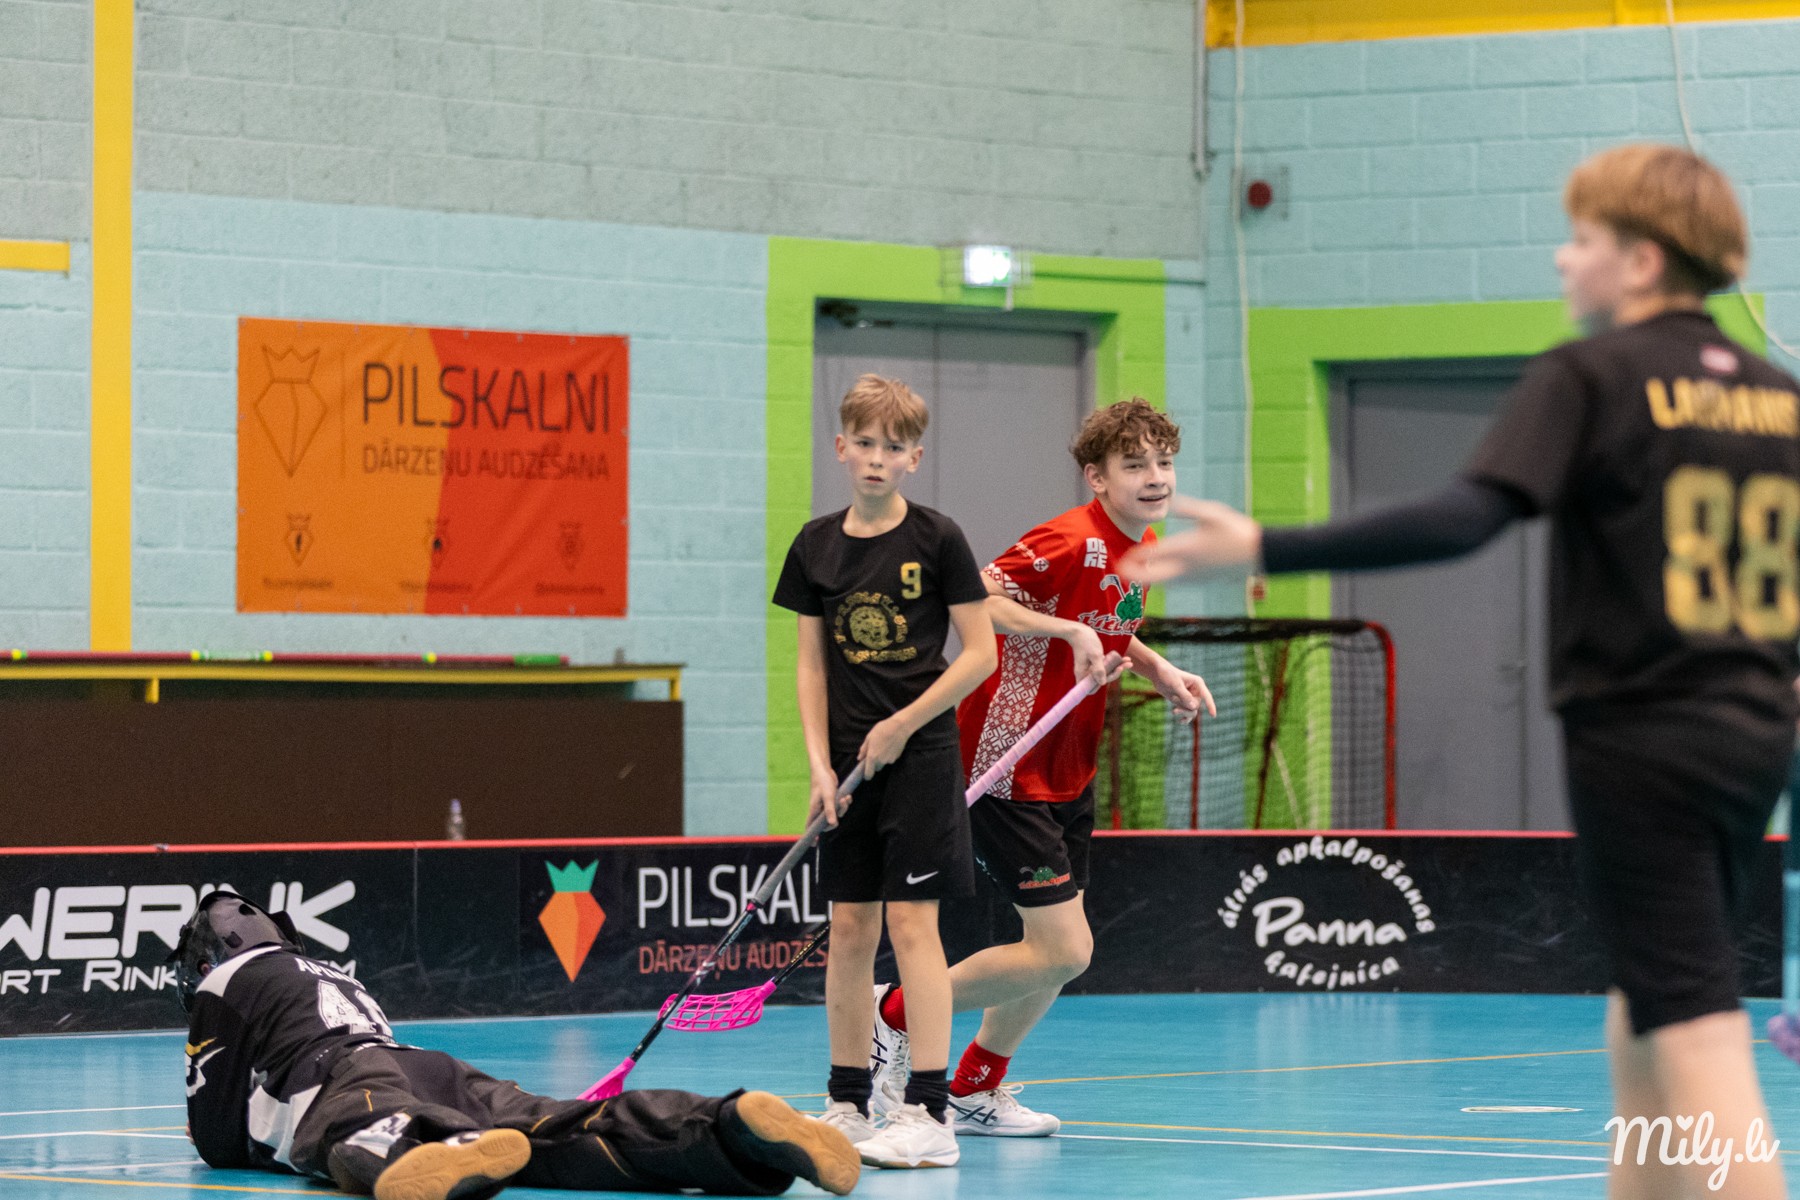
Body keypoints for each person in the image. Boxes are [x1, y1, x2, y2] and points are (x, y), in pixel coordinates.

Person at [1122, 143, 1793, 1200]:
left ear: (1644, 259)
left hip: (1644, 737)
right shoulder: (1775, 394)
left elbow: (1467, 515)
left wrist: (1266, 547)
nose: (1564, 258)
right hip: (1755, 734)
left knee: (1699, 1028)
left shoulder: (1592, 375)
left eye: (1583, 239)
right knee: (1647, 1003)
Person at [864, 399, 1215, 1137]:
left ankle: (974, 1089)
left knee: (1052, 954)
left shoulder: (1141, 541)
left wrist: (1156, 668)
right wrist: (1064, 630)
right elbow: (975, 600)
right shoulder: (1067, 538)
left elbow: (1107, 627)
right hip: (1006, 762)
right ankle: (893, 1013)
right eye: (1134, 465)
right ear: (1097, 477)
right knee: (1066, 950)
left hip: (1067, 766)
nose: (1155, 477)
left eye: (1164, 462)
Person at [174, 890, 859, 1200]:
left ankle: (416, 1154)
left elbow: (215, 1137)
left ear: (208, 960)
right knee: (560, 1125)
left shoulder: (225, 981)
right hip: (426, 1065)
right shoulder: (327, 970)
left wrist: (224, 1129)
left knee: (350, 1130)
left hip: (349, 1077)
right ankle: (725, 1128)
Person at [771, 374, 997, 1169]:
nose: (876, 457)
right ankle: (847, 1104)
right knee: (849, 929)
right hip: (847, 764)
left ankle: (928, 1113)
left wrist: (904, 724)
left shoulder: (938, 538)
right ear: (841, 448)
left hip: (921, 757)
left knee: (911, 925)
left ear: (914, 459)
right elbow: (810, 667)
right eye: (864, 443)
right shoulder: (814, 546)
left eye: (893, 447)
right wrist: (817, 766)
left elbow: (979, 653)